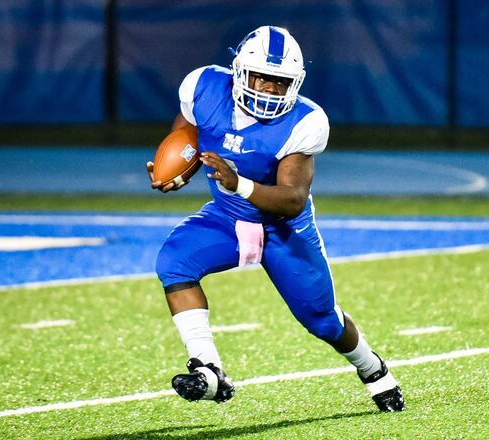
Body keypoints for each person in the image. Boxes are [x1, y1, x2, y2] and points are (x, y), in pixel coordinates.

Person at [146, 25, 405, 412]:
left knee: (322, 321)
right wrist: (181, 165)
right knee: (174, 261)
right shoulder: (202, 86)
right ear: (239, 72)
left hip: (284, 230)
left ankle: (373, 368)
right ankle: (208, 368)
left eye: (279, 82)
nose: (268, 89)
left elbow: (292, 200)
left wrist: (239, 183)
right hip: (229, 218)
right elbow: (187, 130)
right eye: (262, 78)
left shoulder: (306, 121)